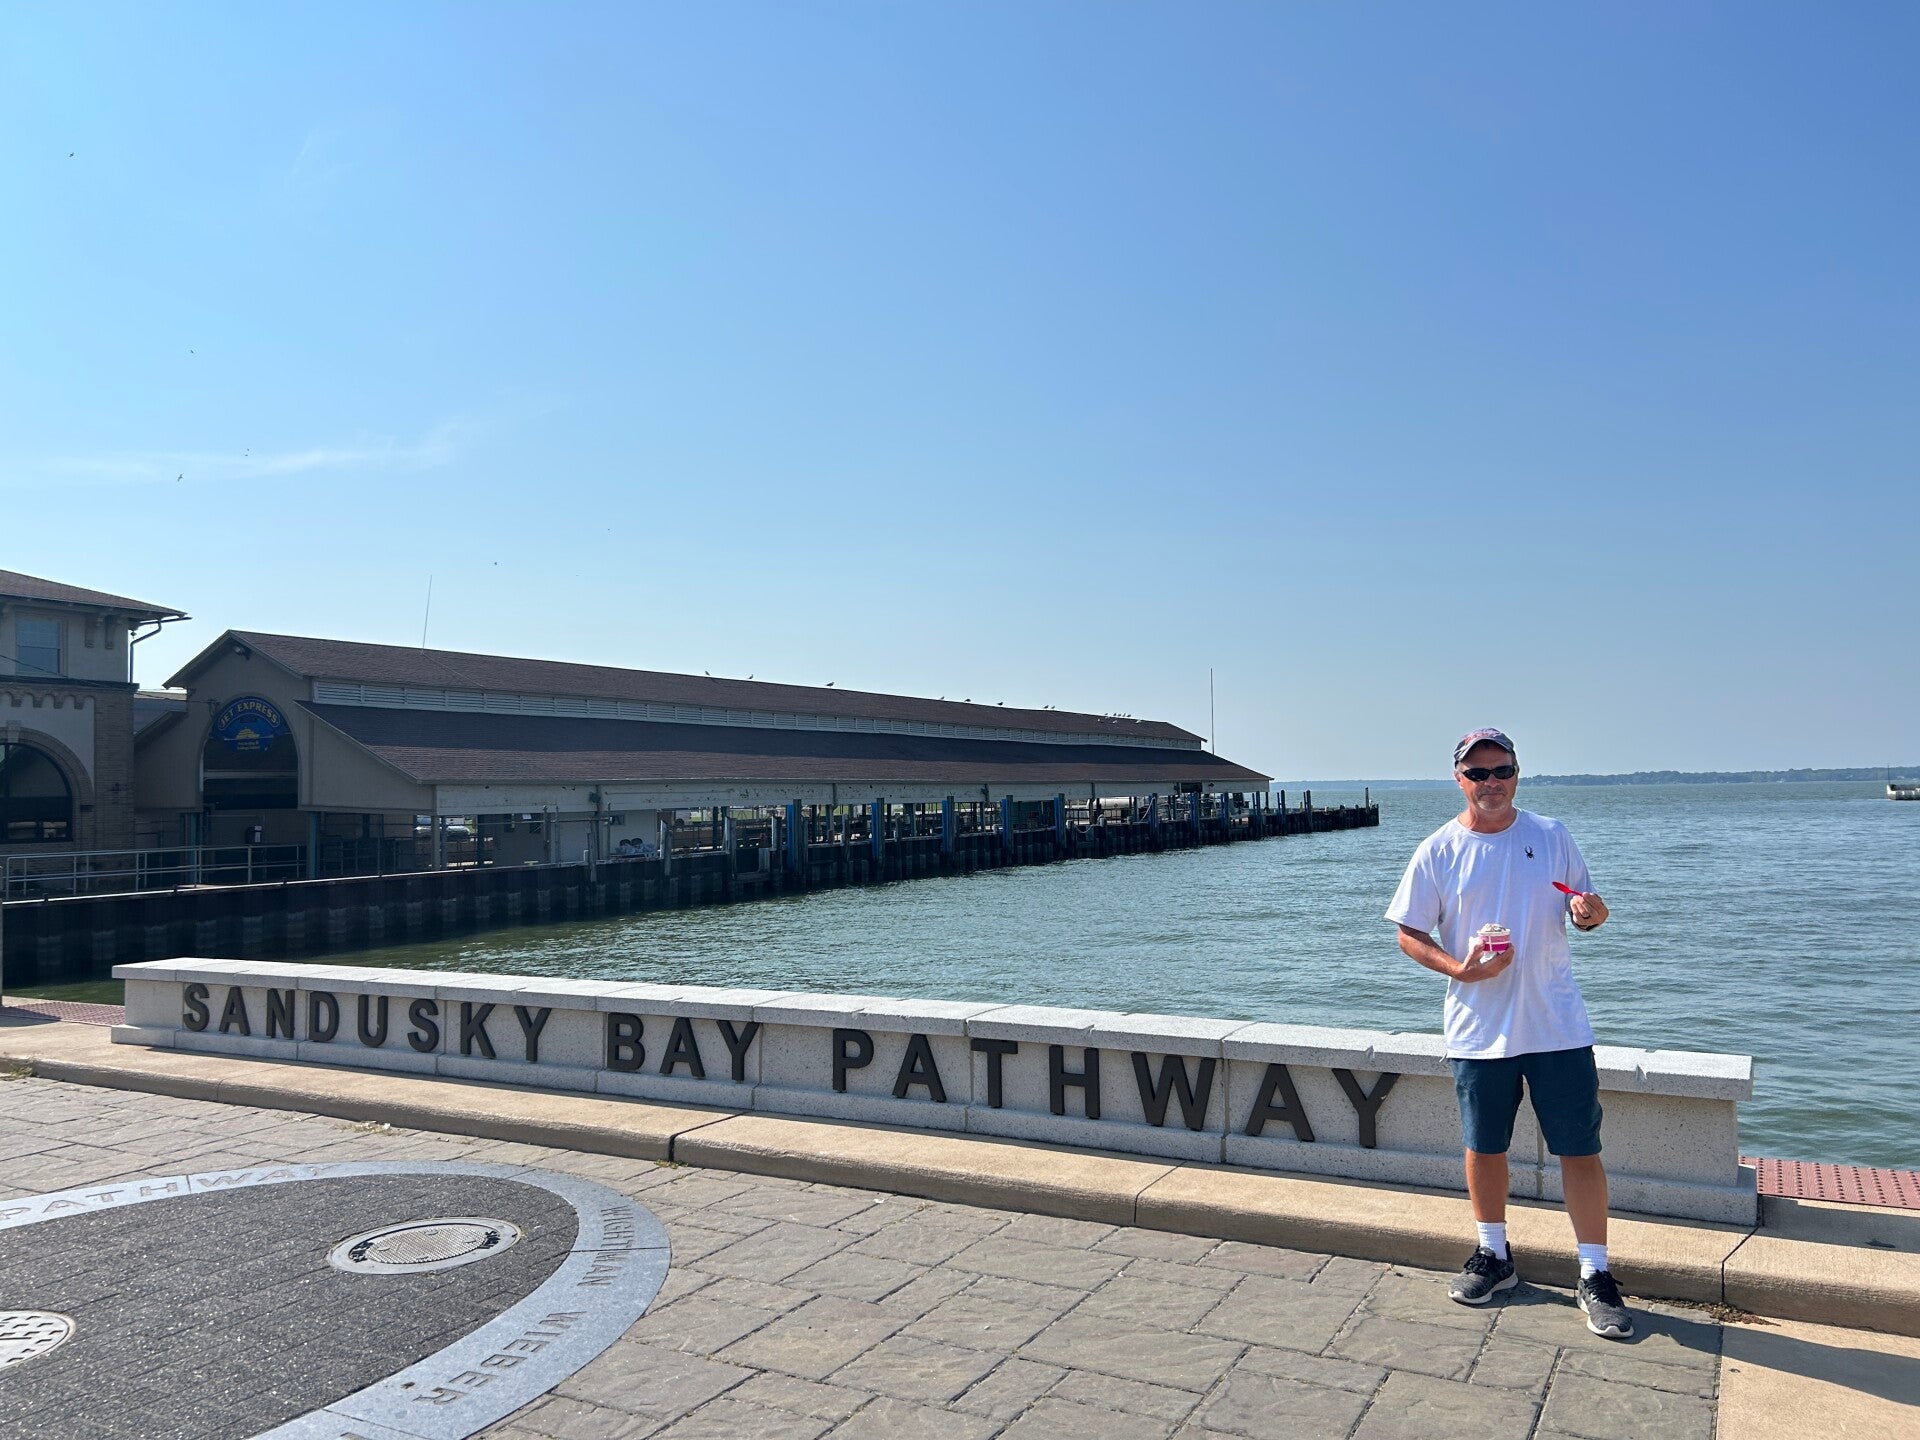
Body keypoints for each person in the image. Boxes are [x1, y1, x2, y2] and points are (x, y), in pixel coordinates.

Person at [1384, 728, 1633, 1340]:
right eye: (1478, 773)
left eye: (1502, 770)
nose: (1491, 782)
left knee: (1580, 1149)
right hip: (1478, 1028)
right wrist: (1460, 969)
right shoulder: (1438, 850)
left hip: (1558, 1025)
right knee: (1484, 1147)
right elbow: (1408, 932)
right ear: (1459, 780)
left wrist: (1592, 914)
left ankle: (1595, 1273)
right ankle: (1493, 1255)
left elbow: (1587, 908)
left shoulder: (1551, 835)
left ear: (1517, 774)